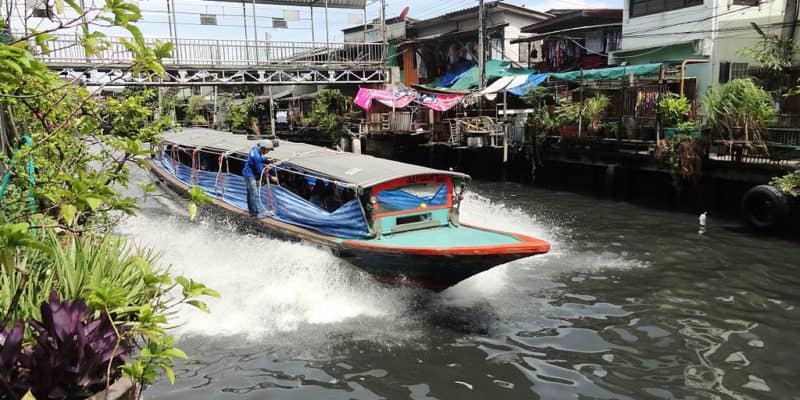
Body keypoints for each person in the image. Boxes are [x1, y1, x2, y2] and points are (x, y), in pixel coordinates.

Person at [242, 141, 273, 217]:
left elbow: (261, 158)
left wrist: (267, 160)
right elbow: (261, 171)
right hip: (249, 175)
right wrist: (271, 177)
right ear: (264, 148)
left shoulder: (255, 149)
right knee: (254, 193)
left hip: (247, 173)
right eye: (268, 150)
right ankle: (254, 213)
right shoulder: (256, 157)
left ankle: (251, 211)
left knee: (250, 194)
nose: (268, 152)